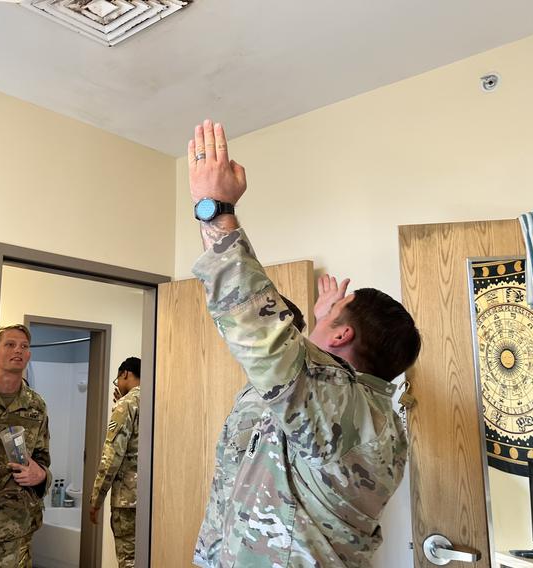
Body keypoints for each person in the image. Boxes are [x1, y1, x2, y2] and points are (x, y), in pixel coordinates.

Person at [187, 120, 422, 567]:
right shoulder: (355, 413)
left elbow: (261, 335)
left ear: (342, 336)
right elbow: (284, 379)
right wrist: (323, 322)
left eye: (332, 318)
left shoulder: (347, 413)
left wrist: (215, 208)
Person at [0, 324, 51, 568]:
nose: (18, 351)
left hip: (16, 529)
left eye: (24, 346)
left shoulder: (36, 406)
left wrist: (41, 475)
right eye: (10, 344)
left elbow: (43, 458)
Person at [89, 357, 142, 568]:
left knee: (128, 560)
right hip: (151, 498)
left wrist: (96, 499)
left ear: (125, 374)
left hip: (127, 500)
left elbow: (112, 456)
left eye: (117, 379)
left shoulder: (127, 404)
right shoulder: (156, 398)